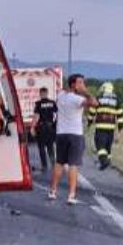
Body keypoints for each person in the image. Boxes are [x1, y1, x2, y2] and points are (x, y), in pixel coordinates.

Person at [49, 74, 98, 205]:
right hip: (75, 134)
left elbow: (64, 91)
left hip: (61, 134)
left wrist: (75, 88)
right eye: (80, 82)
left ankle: (53, 191)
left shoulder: (60, 96)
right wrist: (85, 92)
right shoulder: (77, 99)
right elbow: (94, 103)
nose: (82, 85)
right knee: (73, 165)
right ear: (73, 85)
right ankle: (71, 195)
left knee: (59, 163)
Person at [87, 82, 123, 170]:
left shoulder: (99, 98)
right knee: (108, 145)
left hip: (101, 126)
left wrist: (89, 121)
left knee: (100, 145)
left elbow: (92, 111)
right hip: (111, 127)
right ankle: (108, 161)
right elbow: (120, 114)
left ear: (103, 88)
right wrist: (120, 126)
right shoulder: (117, 99)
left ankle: (104, 161)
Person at [29, 87, 58, 172]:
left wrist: (32, 127)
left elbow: (36, 116)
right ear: (47, 93)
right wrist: (55, 124)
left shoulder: (38, 104)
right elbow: (57, 114)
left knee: (41, 147)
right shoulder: (52, 103)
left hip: (42, 128)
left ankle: (44, 166)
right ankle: (53, 165)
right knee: (50, 147)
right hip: (51, 127)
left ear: (40, 94)